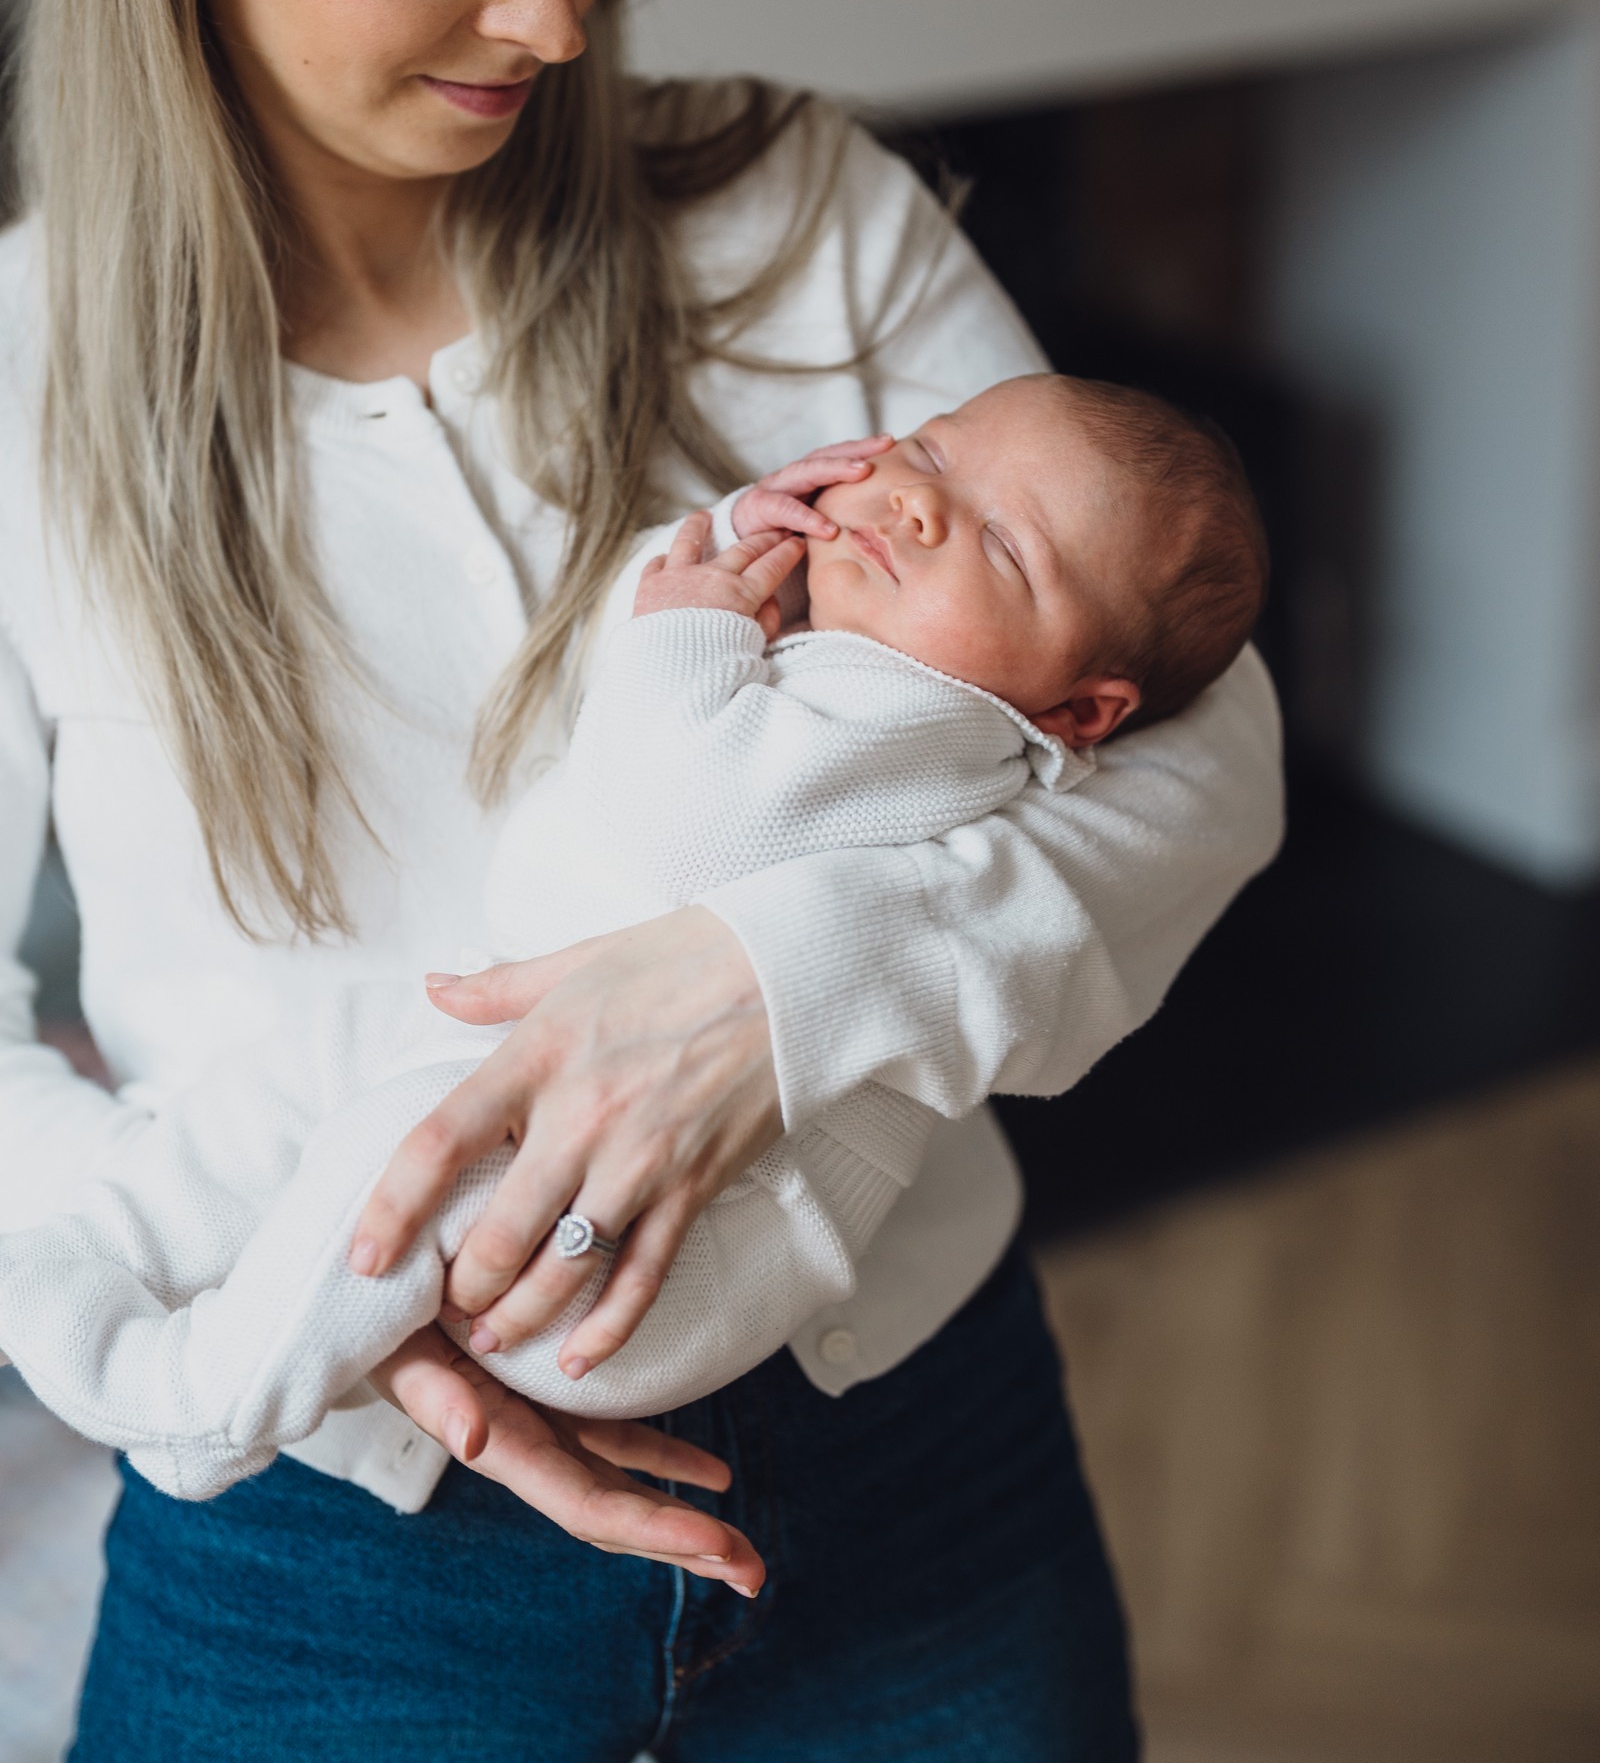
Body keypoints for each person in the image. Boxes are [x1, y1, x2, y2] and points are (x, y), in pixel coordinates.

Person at [0, 0, 1283, 1756]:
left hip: (903, 1464)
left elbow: (1194, 760)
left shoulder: (797, 218)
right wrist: (298, 1289)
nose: (555, 8)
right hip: (320, 1544)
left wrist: (772, 977)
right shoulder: (19, 376)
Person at [0, 375, 1269, 1492]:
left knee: (393, 1153)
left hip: (649, 1266)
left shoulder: (932, 722)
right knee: (324, 1068)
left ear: (1083, 708)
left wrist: (695, 607)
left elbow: (688, 815)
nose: (919, 505)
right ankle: (113, 1247)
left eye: (1004, 546)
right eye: (929, 450)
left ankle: (204, 1397)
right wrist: (728, 553)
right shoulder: (864, 672)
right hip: (527, 1115)